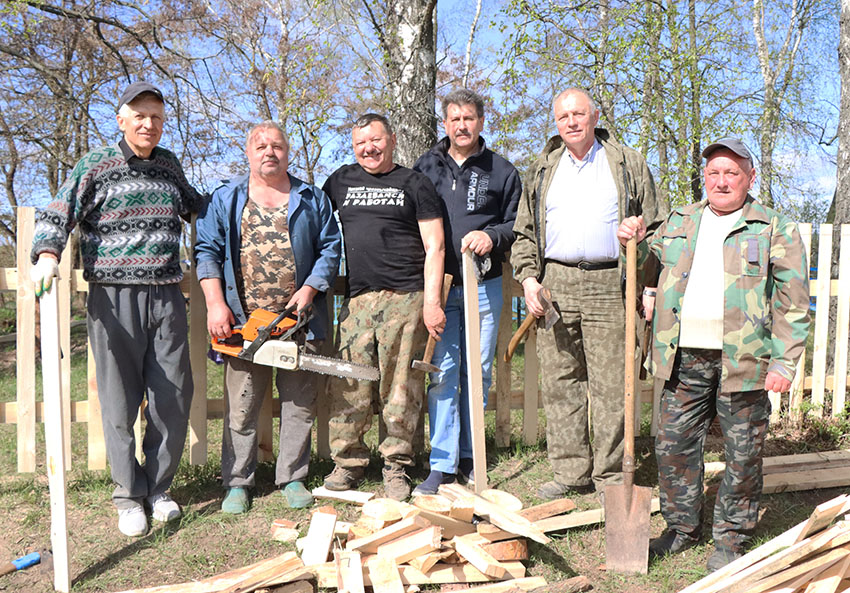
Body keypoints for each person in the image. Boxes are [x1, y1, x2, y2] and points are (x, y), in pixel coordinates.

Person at [616, 137, 810, 571]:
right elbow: (644, 267)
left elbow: (793, 303)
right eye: (714, 173)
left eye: (732, 173)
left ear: (750, 178)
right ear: (704, 177)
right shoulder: (681, 220)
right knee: (673, 447)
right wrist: (633, 240)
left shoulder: (773, 227)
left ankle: (731, 537)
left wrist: (785, 361)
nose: (722, 182)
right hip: (682, 356)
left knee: (743, 453)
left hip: (745, 360)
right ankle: (682, 528)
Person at [30, 81, 204, 537]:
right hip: (113, 297)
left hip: (167, 296)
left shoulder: (169, 166)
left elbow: (197, 206)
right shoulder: (95, 165)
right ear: (121, 118)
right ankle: (128, 496)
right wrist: (48, 253)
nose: (149, 125)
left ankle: (160, 490)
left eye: (158, 118)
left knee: (172, 398)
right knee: (119, 402)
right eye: (141, 115)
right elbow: (56, 211)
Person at [511, 88, 666, 500]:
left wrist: (642, 250)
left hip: (609, 282)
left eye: (579, 114)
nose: (572, 122)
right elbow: (523, 233)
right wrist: (529, 279)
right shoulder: (543, 168)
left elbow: (659, 226)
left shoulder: (626, 163)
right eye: (563, 117)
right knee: (561, 381)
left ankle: (611, 476)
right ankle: (570, 473)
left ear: (595, 116)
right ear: (556, 123)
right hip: (555, 284)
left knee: (612, 384)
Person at [194, 122, 341, 513]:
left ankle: (292, 477)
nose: (269, 152)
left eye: (276, 145)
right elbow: (206, 250)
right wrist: (214, 303)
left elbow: (330, 247)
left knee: (299, 403)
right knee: (242, 405)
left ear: (287, 152)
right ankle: (238, 483)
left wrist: (310, 289)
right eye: (260, 146)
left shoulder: (311, 198)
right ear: (248, 152)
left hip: (300, 321)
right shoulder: (225, 198)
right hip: (242, 323)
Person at [322, 113, 446, 501]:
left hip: (406, 298)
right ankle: (348, 463)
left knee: (401, 388)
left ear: (391, 139)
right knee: (349, 381)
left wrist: (431, 302)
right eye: (360, 143)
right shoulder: (340, 181)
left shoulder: (415, 184)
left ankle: (396, 466)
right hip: (358, 299)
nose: (368, 149)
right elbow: (316, 227)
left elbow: (435, 246)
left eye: (375, 141)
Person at [411, 89, 521, 495]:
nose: (462, 125)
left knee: (478, 373)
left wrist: (492, 235)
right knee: (442, 374)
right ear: (446, 123)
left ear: (481, 122)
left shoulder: (502, 171)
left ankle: (472, 455)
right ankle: (442, 464)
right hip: (441, 287)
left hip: (484, 286)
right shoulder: (425, 167)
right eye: (455, 118)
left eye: (469, 118)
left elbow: (516, 224)